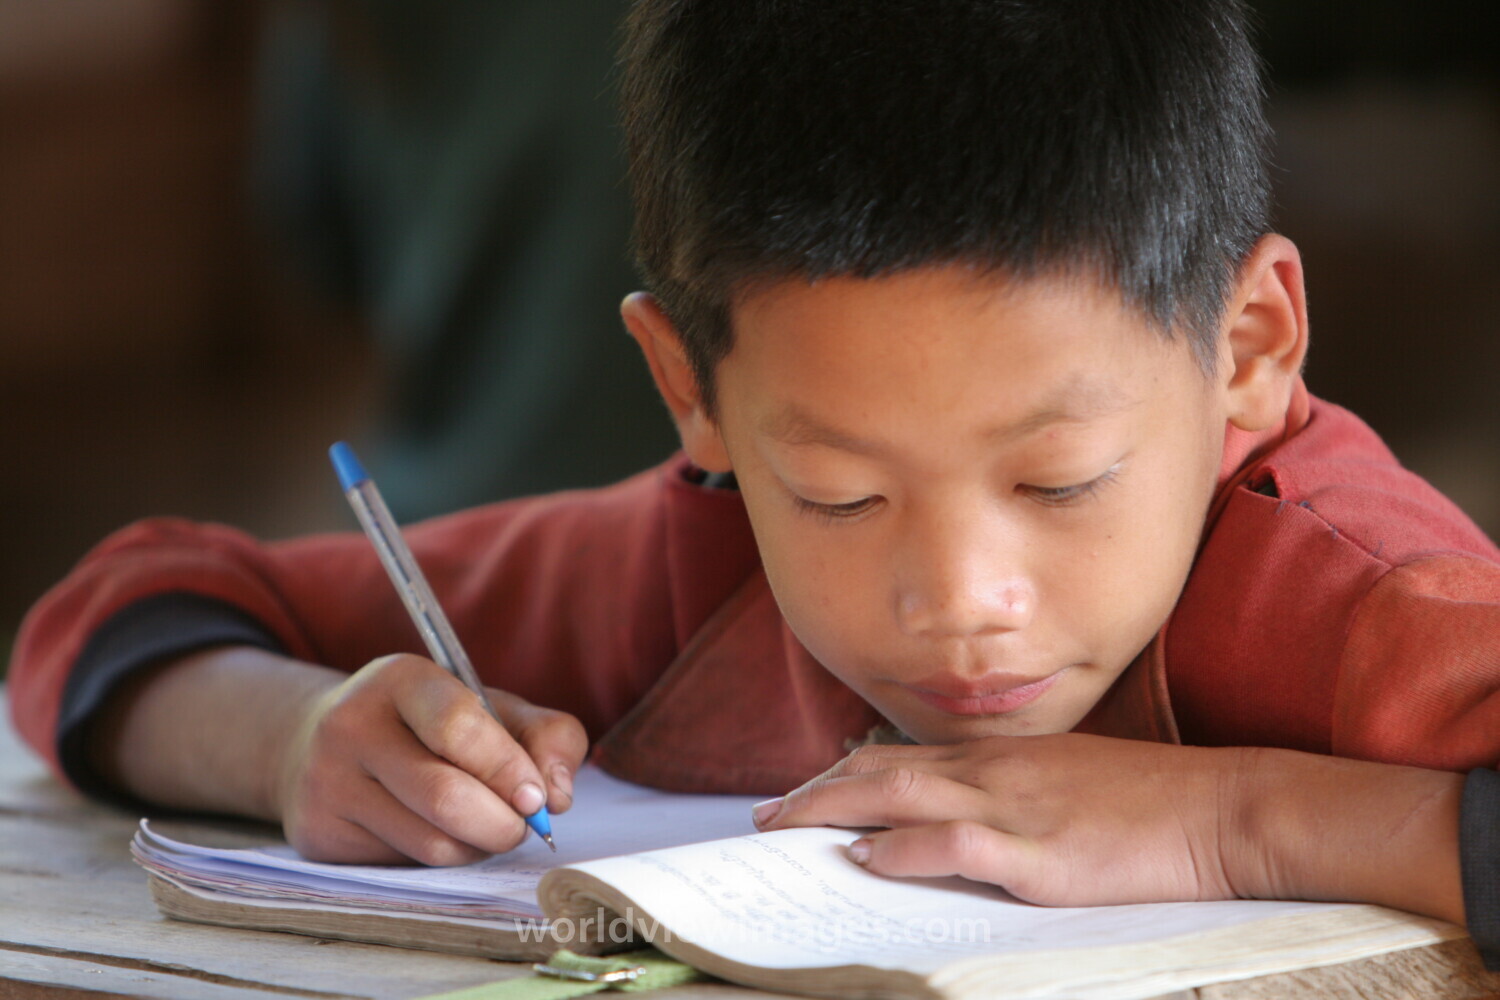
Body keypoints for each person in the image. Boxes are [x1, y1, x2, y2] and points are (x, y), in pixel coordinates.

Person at [10, 0, 1498, 967]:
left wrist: (1229, 824)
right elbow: (126, 613)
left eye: (1059, 482)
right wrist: (293, 742)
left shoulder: (1360, 598)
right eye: (842, 496)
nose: (957, 602)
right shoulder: (695, 572)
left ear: (1250, 347)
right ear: (693, 396)